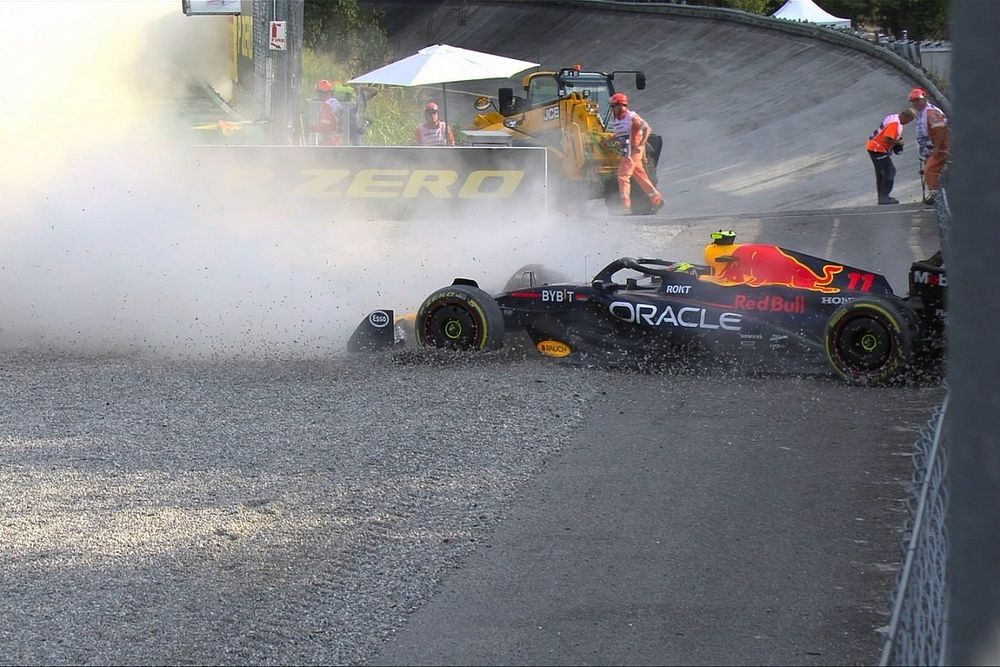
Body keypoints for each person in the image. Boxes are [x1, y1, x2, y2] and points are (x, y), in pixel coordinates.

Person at [608, 92, 664, 215]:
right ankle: (657, 200)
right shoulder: (618, 119)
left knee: (623, 176)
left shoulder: (631, 117)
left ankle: (626, 207)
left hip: (632, 151)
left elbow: (647, 128)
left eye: (613, 106)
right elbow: (621, 134)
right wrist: (610, 140)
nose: (612, 109)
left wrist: (641, 144)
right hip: (628, 151)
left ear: (621, 105)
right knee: (641, 177)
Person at [908, 87, 951, 205]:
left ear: (925, 99)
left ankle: (937, 196)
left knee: (930, 170)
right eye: (913, 101)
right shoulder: (922, 113)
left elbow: (939, 130)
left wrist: (937, 148)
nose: (916, 103)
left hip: (940, 149)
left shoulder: (931, 112)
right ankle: (937, 194)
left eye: (918, 100)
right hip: (930, 150)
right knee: (930, 171)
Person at [866, 108, 914, 205]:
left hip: (873, 147)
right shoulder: (895, 124)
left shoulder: (893, 117)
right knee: (890, 171)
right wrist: (899, 142)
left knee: (881, 174)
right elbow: (887, 139)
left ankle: (882, 197)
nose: (907, 123)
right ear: (905, 117)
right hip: (878, 149)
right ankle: (884, 197)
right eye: (908, 121)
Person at [313, 79, 343, 146]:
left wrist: (312, 128)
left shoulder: (327, 106)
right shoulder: (336, 103)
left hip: (328, 142)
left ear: (321, 93)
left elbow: (325, 126)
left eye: (319, 92)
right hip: (338, 141)